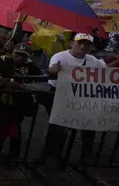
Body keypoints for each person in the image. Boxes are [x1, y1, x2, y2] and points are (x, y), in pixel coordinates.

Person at [44, 33, 106, 167]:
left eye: (87, 43)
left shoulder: (93, 60)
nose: (83, 46)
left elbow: (105, 71)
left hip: (81, 97)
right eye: (79, 42)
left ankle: (86, 153)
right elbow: (51, 70)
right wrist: (53, 71)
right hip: (60, 95)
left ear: (91, 46)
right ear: (72, 43)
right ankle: (52, 155)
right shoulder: (60, 56)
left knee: (88, 124)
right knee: (59, 127)